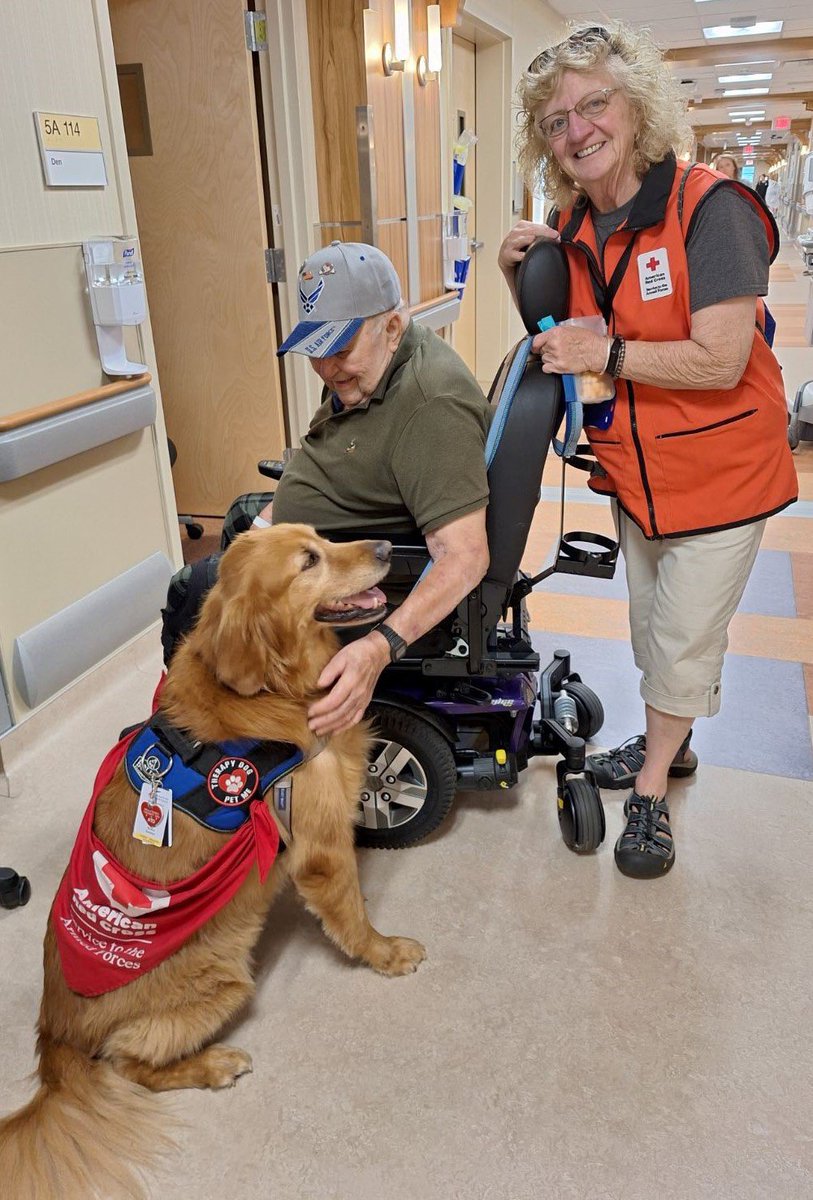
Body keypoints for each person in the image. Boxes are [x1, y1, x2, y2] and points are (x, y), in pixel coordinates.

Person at [499, 22, 797, 879]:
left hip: (722, 478)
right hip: (637, 479)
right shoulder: (573, 223)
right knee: (651, 635)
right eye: (556, 121)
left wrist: (610, 354)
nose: (577, 130)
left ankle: (651, 793)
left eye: (594, 104)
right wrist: (511, 272)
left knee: (681, 642)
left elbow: (721, 358)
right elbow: (563, 338)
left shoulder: (711, 211)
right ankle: (676, 741)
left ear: (636, 109)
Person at [163, 241, 491, 738]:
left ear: (393, 326)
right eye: (315, 350)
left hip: (358, 561)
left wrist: (380, 647)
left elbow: (465, 556)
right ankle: (209, 715)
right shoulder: (364, 370)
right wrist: (272, 518)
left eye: (339, 348)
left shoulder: (431, 406)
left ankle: (200, 731)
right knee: (237, 519)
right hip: (318, 534)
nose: (326, 366)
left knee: (193, 589)